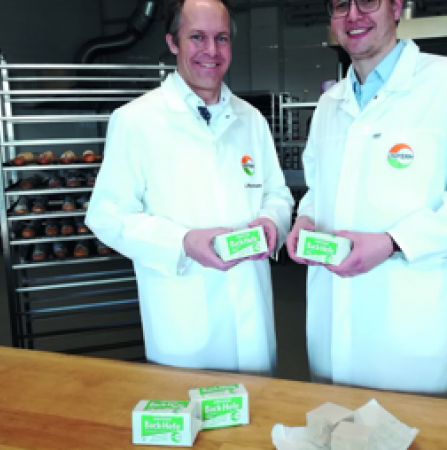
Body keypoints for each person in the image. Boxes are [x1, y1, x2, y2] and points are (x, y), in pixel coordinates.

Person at [286, 0, 447, 399]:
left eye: (368, 1)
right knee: (335, 419)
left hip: (413, 325)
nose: (353, 15)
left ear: (395, 7)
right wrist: (305, 220)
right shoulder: (329, 103)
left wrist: (394, 242)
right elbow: (319, 189)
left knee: (415, 426)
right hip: (334, 322)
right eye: (341, 5)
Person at [86, 0, 293, 375]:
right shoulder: (136, 121)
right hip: (183, 313)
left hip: (251, 307)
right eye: (197, 37)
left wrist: (271, 223)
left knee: (259, 403)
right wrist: (182, 242)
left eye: (222, 38)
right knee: (190, 404)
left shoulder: (251, 120)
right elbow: (107, 215)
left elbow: (277, 194)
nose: (211, 50)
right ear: (173, 42)